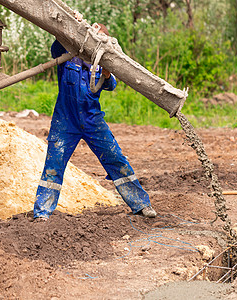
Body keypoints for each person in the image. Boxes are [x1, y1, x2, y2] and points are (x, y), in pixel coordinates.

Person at [33, 21, 156, 220]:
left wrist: (106, 73)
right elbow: (56, 44)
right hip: (65, 120)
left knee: (115, 158)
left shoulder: (101, 63)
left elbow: (111, 85)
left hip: (93, 121)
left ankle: (141, 205)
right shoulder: (67, 55)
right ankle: (42, 212)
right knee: (53, 164)